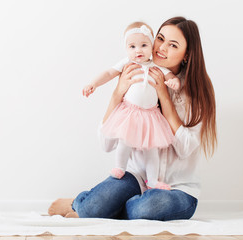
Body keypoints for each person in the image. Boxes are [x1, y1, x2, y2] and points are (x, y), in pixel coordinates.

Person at [49, 16, 217, 221]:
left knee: (149, 207)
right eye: (160, 38)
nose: (161, 48)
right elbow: (106, 144)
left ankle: (106, 208)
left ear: (186, 55)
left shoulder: (197, 93)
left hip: (178, 190)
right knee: (93, 207)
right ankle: (84, 203)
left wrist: (164, 97)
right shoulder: (136, 76)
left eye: (173, 45)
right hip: (137, 178)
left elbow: (185, 148)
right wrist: (117, 93)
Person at [82, 21, 180, 189]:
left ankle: (153, 180)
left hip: (150, 114)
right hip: (129, 112)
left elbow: (170, 75)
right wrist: (94, 83)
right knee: (124, 142)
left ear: (151, 46)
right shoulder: (127, 63)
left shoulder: (156, 65)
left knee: (152, 149)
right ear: (126, 49)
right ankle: (120, 167)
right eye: (132, 46)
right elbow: (108, 73)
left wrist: (174, 82)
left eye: (143, 45)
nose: (138, 50)